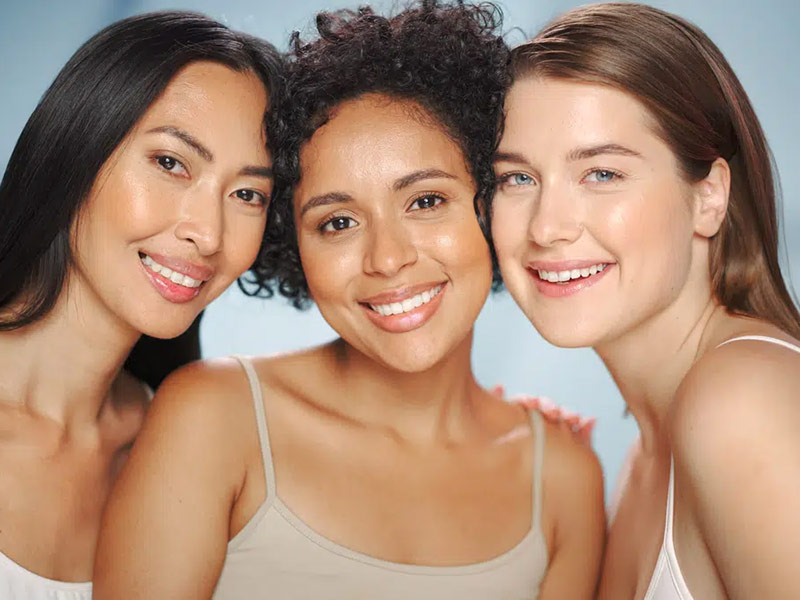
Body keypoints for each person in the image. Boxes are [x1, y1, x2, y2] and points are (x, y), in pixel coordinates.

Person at [94, 2, 604, 598]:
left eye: (425, 202)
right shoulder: (212, 418)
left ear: (492, 208)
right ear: (294, 246)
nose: (387, 259)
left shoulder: (565, 479)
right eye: (337, 222)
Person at [490, 3, 800, 598]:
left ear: (709, 196)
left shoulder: (741, 402)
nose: (547, 226)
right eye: (517, 179)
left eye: (602, 174)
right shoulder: (645, 449)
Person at [0, 11, 283, 599]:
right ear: (76, 149)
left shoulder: (186, 454)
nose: (208, 233)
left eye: (248, 193)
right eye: (171, 163)